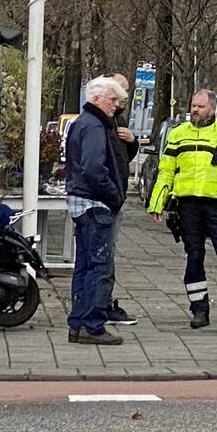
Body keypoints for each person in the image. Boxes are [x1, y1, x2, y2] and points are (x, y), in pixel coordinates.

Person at [149, 89, 217, 329]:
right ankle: (199, 310)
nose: (194, 110)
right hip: (188, 206)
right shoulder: (178, 135)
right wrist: (157, 203)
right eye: (193, 105)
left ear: (213, 109)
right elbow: (166, 172)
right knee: (194, 257)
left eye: (200, 106)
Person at [63, 76, 128, 346]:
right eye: (113, 100)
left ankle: (78, 323)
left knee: (84, 266)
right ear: (97, 98)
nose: (116, 106)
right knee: (99, 266)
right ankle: (93, 324)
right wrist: (114, 195)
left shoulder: (82, 123)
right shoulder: (94, 127)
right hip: (95, 204)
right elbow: (93, 168)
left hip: (82, 203)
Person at [104, 72, 141, 327]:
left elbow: (124, 157)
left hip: (115, 196)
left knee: (107, 252)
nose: (123, 98)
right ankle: (101, 304)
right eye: (120, 92)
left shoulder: (118, 119)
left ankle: (102, 302)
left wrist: (133, 141)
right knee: (103, 253)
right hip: (107, 198)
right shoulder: (102, 121)